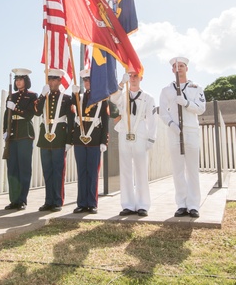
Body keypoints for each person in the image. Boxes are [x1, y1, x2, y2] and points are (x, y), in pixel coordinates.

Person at [159, 56, 206, 218]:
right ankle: (182, 204)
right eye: (176, 66)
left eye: (181, 66)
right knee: (178, 170)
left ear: (187, 68)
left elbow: (201, 109)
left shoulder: (196, 87)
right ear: (172, 70)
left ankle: (194, 205)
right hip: (174, 132)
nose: (178, 68)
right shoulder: (167, 90)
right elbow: (163, 111)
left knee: (192, 169)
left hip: (191, 131)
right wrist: (172, 124)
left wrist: (186, 103)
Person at [110, 68, 157, 216]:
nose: (133, 78)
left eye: (135, 76)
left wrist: (151, 138)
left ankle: (143, 204)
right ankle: (128, 204)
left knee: (141, 169)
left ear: (141, 78)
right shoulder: (123, 96)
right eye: (130, 76)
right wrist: (121, 83)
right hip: (125, 132)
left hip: (140, 133)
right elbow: (112, 99)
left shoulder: (148, 98)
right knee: (125, 170)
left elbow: (153, 120)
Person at [33, 68, 74, 212]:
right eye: (49, 79)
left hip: (59, 137)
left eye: (54, 79)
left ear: (59, 81)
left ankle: (57, 201)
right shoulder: (44, 96)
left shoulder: (67, 98)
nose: (51, 82)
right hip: (45, 137)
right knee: (47, 171)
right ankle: (48, 201)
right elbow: (37, 112)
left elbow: (71, 120)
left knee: (58, 171)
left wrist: (69, 141)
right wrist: (42, 95)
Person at [71, 70, 109, 214]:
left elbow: (105, 121)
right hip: (80, 140)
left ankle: (92, 203)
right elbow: (70, 104)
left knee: (93, 172)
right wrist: (73, 93)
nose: (87, 83)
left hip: (94, 139)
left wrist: (104, 141)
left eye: (89, 80)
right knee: (81, 172)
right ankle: (81, 203)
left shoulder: (102, 98)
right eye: (85, 80)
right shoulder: (79, 97)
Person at [2, 68, 36, 210]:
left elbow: (29, 115)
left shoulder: (32, 96)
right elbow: (6, 115)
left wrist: (15, 107)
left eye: (20, 79)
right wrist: (5, 130)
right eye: (16, 80)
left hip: (24, 134)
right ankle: (14, 199)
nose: (18, 82)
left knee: (24, 168)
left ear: (26, 81)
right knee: (12, 169)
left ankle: (22, 199)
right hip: (12, 135)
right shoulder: (12, 96)